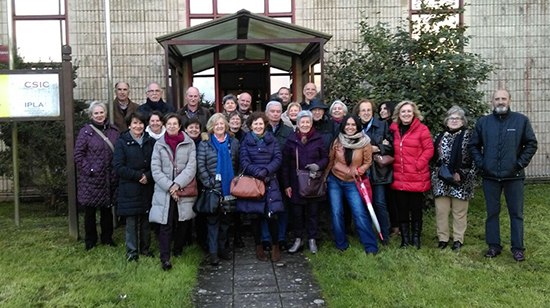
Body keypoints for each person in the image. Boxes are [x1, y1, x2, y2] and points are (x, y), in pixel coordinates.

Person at [468, 90, 537, 261]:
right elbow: (473, 146)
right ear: (492, 102)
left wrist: (519, 164)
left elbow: (531, 144)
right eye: (497, 99)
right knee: (492, 213)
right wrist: (482, 163)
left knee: (516, 213)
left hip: (514, 176)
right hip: (490, 176)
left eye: (503, 99)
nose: (500, 102)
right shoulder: (484, 123)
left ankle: (518, 248)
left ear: (510, 101)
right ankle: (493, 246)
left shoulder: (521, 121)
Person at [325, 114, 378, 255]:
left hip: (353, 182)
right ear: (343, 126)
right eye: (347, 125)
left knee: (359, 213)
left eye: (353, 125)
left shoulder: (365, 142)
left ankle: (370, 246)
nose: (350, 127)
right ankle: (341, 244)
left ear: (357, 126)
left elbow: (368, 161)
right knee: (337, 213)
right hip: (335, 180)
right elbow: (331, 160)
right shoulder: (337, 141)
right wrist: (324, 178)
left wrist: (360, 170)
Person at [149, 113, 197, 270]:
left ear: (179, 126)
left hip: (183, 187)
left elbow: (191, 167)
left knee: (183, 220)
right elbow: (155, 170)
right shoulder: (159, 144)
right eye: (168, 123)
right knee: (166, 223)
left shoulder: (189, 143)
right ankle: (165, 257)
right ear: (164, 125)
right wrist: (170, 186)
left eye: (174, 123)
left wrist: (177, 184)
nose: (171, 126)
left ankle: (178, 249)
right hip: (165, 191)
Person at [237, 112, 284, 262]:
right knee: (255, 217)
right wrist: (258, 173)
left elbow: (278, 158)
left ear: (265, 125)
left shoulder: (273, 140)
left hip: (270, 181)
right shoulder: (246, 141)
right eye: (255, 124)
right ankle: (259, 247)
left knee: (272, 216)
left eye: (260, 124)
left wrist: (266, 171)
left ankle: (275, 246)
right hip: (253, 183)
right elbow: (244, 162)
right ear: (251, 126)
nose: (258, 126)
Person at [281, 110, 328, 254]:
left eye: (308, 122)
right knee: (297, 214)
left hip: (312, 182)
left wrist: (318, 165)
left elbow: (326, 158)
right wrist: (287, 185)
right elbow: (285, 165)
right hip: (295, 183)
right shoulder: (291, 140)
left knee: (313, 213)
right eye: (303, 122)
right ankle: (298, 239)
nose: (305, 124)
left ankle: (312, 240)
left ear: (312, 123)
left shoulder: (318, 139)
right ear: (298, 123)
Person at [74, 101, 119, 251]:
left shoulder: (114, 131)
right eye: (96, 113)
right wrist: (90, 170)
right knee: (90, 211)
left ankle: (107, 237)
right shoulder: (85, 132)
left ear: (105, 113)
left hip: (109, 178)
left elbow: (118, 152)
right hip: (91, 180)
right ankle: (90, 239)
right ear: (91, 115)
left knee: (107, 210)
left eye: (101, 112)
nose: (99, 116)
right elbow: (78, 154)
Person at [389, 101, 433, 249]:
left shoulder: (422, 129)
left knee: (416, 209)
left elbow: (429, 149)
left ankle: (416, 238)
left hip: (416, 176)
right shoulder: (393, 129)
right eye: (403, 112)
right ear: (398, 114)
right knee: (402, 209)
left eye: (409, 111)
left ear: (414, 113)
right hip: (399, 176)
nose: (406, 114)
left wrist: (418, 164)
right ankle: (405, 239)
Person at [197, 113, 240, 265]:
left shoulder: (234, 142)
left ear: (226, 126)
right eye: (216, 124)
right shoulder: (205, 143)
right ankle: (213, 252)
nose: (220, 126)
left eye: (222, 124)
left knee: (226, 221)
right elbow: (200, 165)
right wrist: (209, 182)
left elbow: (238, 164)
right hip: (212, 189)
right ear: (211, 127)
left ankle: (223, 249)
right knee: (213, 221)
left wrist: (236, 182)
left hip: (230, 188)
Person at [432, 106, 476, 251]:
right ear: (447, 120)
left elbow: (474, 158)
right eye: (452, 118)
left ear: (463, 121)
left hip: (461, 179)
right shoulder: (439, 136)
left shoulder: (469, 136)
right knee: (441, 210)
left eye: (458, 118)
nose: (454, 120)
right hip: (441, 178)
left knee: (459, 211)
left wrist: (463, 173)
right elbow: (433, 157)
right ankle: (443, 238)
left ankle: (458, 239)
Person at [113, 111, 155, 261]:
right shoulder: (122, 142)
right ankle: (132, 252)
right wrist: (138, 176)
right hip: (129, 187)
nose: (138, 126)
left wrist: (148, 176)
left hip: (146, 186)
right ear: (129, 125)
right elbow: (118, 166)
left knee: (146, 220)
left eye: (141, 123)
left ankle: (145, 249)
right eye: (135, 123)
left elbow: (156, 164)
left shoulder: (150, 141)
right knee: (131, 221)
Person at [354, 99, 392, 245]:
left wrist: (378, 148)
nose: (366, 113)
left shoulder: (382, 125)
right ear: (358, 112)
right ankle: (367, 234)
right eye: (363, 110)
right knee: (363, 204)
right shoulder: (354, 126)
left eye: (369, 110)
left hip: (378, 172)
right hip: (361, 171)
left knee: (379, 202)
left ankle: (385, 235)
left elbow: (391, 146)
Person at [261, 101, 294, 251]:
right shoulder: (260, 129)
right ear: (267, 113)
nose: (275, 114)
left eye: (278, 111)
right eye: (272, 111)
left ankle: (281, 237)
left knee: (283, 207)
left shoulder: (288, 131)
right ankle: (266, 238)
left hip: (283, 174)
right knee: (264, 205)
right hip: (265, 174)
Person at [184, 118, 207, 249]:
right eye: (191, 127)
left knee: (201, 212)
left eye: (196, 127)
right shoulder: (182, 142)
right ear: (185, 129)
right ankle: (187, 239)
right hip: (186, 182)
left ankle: (201, 240)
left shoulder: (204, 142)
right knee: (186, 212)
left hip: (200, 181)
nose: (194, 130)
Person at [378, 101, 399, 237]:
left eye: (385, 109)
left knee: (393, 199)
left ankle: (396, 226)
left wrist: (385, 144)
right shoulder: (381, 124)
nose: (382, 111)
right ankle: (394, 225)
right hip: (384, 167)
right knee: (388, 198)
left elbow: (392, 144)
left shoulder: (394, 125)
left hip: (394, 165)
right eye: (380, 109)